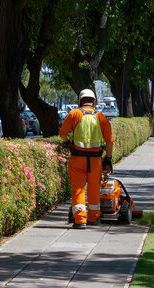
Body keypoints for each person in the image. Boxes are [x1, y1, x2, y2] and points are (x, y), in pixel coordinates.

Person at [60, 89, 113, 229]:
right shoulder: (101, 117)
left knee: (78, 189)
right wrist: (108, 159)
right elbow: (109, 142)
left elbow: (63, 134)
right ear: (94, 101)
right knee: (94, 188)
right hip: (95, 160)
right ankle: (93, 218)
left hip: (77, 158)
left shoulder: (74, 114)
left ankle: (80, 220)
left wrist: (68, 144)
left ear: (80, 100)